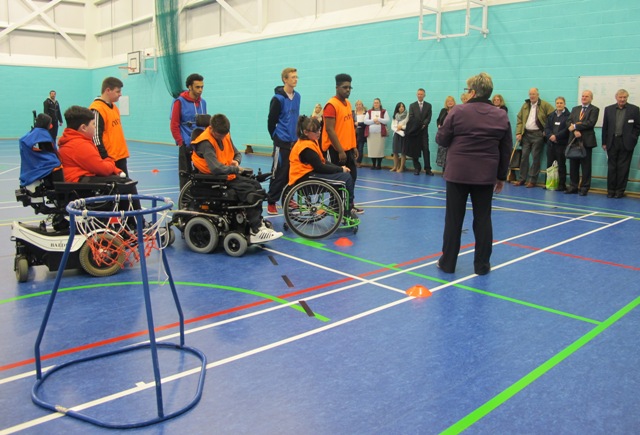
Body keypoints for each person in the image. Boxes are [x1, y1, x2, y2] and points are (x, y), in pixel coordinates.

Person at [435, 72, 512, 276]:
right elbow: (506, 149)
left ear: (473, 91)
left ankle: (448, 263)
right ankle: (482, 266)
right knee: (483, 219)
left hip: (458, 174)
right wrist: (501, 176)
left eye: (467, 90)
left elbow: (441, 139)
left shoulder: (458, 111)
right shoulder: (501, 115)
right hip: (485, 176)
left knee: (453, 220)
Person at [192, 114, 282, 243]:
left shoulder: (225, 135)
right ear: (211, 128)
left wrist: (236, 161)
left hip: (226, 175)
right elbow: (215, 168)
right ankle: (255, 229)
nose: (222, 137)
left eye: (224, 135)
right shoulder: (205, 142)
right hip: (213, 178)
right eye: (219, 135)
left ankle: (257, 223)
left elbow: (237, 153)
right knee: (249, 190)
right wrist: (235, 169)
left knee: (256, 185)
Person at [57, 106, 140, 217]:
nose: (95, 127)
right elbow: (103, 169)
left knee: (120, 180)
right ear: (83, 128)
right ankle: (136, 224)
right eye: (93, 124)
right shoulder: (79, 145)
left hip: (77, 181)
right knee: (126, 183)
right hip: (78, 184)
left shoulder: (74, 141)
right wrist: (110, 161)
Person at [289, 116, 357, 213]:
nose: (319, 133)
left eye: (319, 130)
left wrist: (339, 168)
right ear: (305, 132)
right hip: (304, 178)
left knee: (342, 176)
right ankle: (347, 210)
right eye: (315, 131)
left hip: (309, 174)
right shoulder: (306, 148)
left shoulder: (311, 141)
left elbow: (323, 161)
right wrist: (340, 170)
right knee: (346, 178)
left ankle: (337, 207)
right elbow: (320, 167)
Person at [321, 73, 363, 214]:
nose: (348, 90)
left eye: (350, 87)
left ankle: (349, 204)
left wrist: (354, 145)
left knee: (352, 178)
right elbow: (330, 129)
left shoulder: (348, 103)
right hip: (335, 150)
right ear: (337, 87)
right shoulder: (331, 105)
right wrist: (340, 150)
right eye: (345, 87)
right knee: (338, 181)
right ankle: (336, 205)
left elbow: (350, 127)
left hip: (348, 149)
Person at [266, 67, 301, 215]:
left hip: (294, 142)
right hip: (281, 142)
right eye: (292, 77)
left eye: (296, 77)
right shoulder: (278, 99)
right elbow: (271, 120)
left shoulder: (298, 96)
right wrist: (275, 136)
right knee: (279, 173)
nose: (295, 79)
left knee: (292, 173)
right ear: (285, 79)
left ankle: (288, 198)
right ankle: (271, 202)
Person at [170, 73, 207, 190]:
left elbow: (206, 123)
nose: (200, 90)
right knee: (185, 173)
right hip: (186, 143)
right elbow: (174, 124)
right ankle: (185, 199)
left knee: (202, 171)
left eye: (202, 87)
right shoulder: (179, 102)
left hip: (201, 144)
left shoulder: (203, 102)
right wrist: (181, 142)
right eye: (197, 87)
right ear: (190, 87)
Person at [602, 89, 640, 198]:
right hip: (612, 142)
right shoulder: (608, 109)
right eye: (620, 97)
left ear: (627, 98)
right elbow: (605, 127)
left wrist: (633, 138)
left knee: (623, 168)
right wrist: (604, 142)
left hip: (626, 143)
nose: (622, 99)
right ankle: (611, 191)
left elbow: (638, 127)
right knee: (612, 167)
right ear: (616, 97)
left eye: (624, 97)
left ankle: (620, 191)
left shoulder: (634, 109)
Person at [512, 88, 554, 188]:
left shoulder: (544, 105)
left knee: (535, 157)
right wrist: (518, 132)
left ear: (538, 95)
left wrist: (546, 130)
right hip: (526, 134)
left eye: (534, 94)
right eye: (530, 94)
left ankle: (532, 180)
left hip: (538, 135)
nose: (532, 96)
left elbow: (552, 116)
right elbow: (519, 118)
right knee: (524, 157)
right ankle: (522, 179)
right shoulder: (526, 105)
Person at [89, 77, 130, 175]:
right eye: (117, 91)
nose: (120, 94)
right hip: (109, 159)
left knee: (128, 188)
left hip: (120, 157)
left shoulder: (114, 107)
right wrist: (105, 158)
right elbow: (95, 137)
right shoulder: (97, 109)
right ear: (108, 90)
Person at [566, 90, 600, 196]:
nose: (584, 98)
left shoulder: (594, 109)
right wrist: (574, 130)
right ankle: (573, 186)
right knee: (573, 165)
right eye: (583, 96)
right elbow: (568, 121)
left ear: (591, 98)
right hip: (574, 140)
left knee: (585, 166)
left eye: (587, 96)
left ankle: (585, 187)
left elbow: (590, 123)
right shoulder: (575, 109)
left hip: (586, 141)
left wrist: (576, 126)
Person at [19, 113, 62, 187]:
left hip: (28, 170)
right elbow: (52, 152)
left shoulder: (29, 135)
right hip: (42, 170)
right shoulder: (42, 135)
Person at [543, 96, 571, 191]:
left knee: (561, 165)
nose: (559, 104)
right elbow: (546, 127)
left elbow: (567, 129)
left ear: (564, 104)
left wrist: (557, 136)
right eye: (557, 103)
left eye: (561, 103)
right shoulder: (551, 115)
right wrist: (550, 136)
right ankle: (549, 183)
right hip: (551, 144)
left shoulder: (568, 116)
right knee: (549, 164)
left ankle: (561, 185)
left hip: (561, 144)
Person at [406, 88, 433, 175]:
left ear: (424, 95)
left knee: (426, 149)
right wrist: (418, 125)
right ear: (416, 95)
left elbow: (428, 117)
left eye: (421, 94)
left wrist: (424, 124)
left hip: (424, 131)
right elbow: (411, 117)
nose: (420, 95)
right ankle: (417, 168)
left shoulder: (428, 105)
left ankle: (428, 169)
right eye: (418, 94)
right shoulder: (412, 105)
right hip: (415, 132)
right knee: (415, 150)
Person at [364, 98, 390, 170]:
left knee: (379, 149)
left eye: (377, 102)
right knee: (372, 149)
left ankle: (379, 165)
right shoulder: (369, 112)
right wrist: (373, 121)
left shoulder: (384, 111)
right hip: (371, 134)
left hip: (380, 134)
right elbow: (365, 121)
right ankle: (373, 164)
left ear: (380, 103)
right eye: (375, 103)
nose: (376, 104)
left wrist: (379, 120)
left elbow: (387, 120)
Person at [436, 96, 456, 169]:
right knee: (442, 154)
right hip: (443, 135)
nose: (450, 102)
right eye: (448, 101)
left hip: (452, 136)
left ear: (454, 102)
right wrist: (438, 125)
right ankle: (444, 170)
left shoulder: (456, 110)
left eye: (451, 101)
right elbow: (438, 120)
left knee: (450, 154)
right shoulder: (443, 110)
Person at [390, 102, 408, 172]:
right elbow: (392, 126)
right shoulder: (395, 116)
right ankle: (395, 166)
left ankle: (401, 167)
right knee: (395, 151)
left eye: (403, 106)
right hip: (396, 134)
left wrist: (401, 127)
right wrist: (397, 129)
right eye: (400, 107)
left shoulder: (407, 115)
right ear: (397, 108)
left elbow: (407, 125)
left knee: (403, 152)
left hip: (403, 134)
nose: (401, 108)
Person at [353, 100, 367, 167]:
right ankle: (353, 161)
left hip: (362, 132)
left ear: (362, 105)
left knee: (360, 148)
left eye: (360, 104)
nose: (358, 106)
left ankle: (358, 162)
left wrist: (359, 123)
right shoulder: (353, 113)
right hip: (354, 131)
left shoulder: (365, 113)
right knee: (354, 147)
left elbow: (367, 123)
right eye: (357, 104)